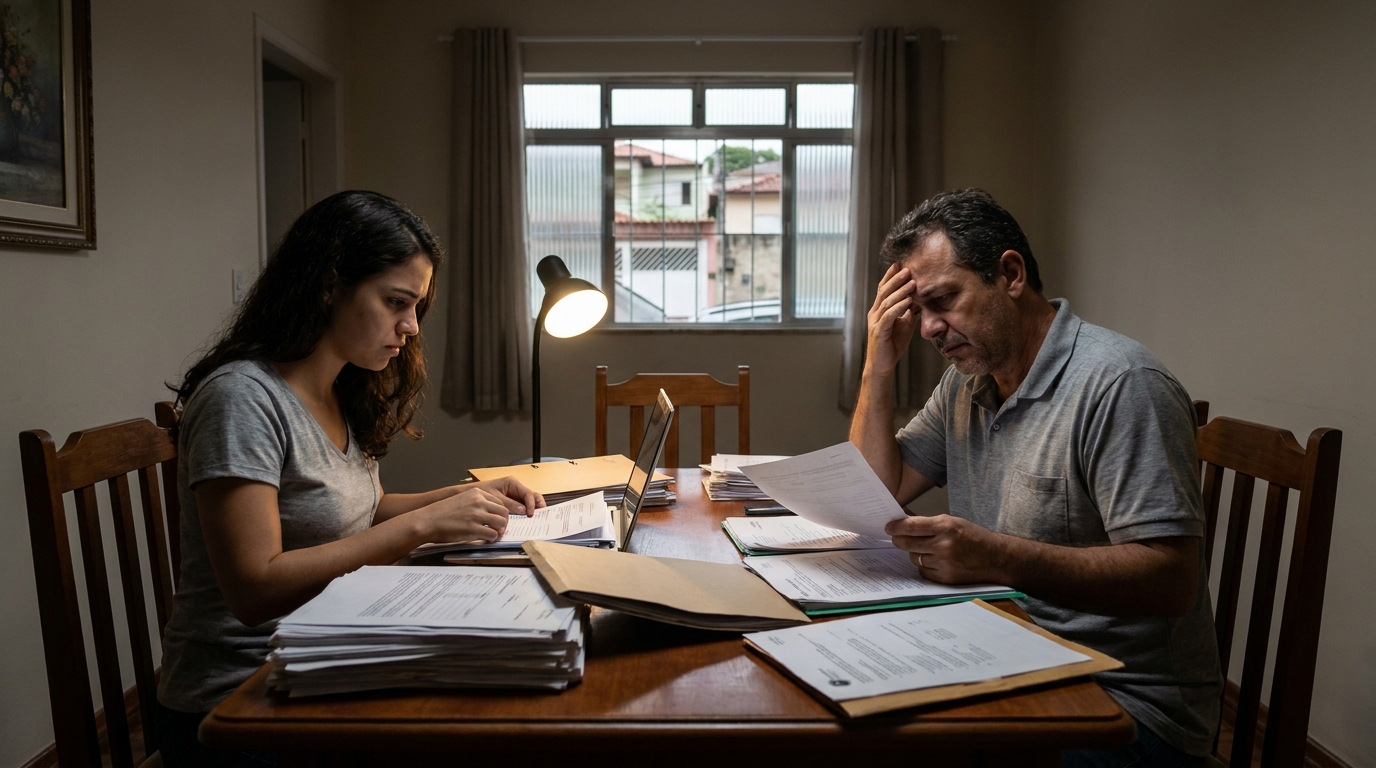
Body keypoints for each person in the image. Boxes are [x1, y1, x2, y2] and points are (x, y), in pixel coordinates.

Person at [154, 191, 542, 767]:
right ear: (329, 284)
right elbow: (254, 590)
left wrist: (463, 496)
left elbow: (368, 509)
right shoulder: (241, 398)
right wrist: (425, 526)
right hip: (239, 699)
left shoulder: (340, 388)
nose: (410, 326)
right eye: (395, 302)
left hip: (326, 651)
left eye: (416, 307)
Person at [849, 188, 1222, 767]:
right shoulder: (965, 384)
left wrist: (996, 558)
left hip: (1125, 707)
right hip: (1010, 658)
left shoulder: (1122, 383)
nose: (927, 328)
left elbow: (1171, 580)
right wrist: (878, 363)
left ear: (1011, 274)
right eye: (915, 310)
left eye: (942, 300)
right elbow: (876, 494)